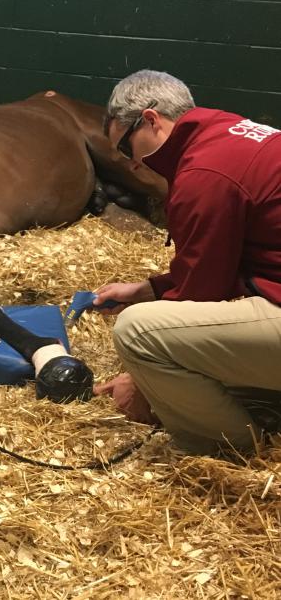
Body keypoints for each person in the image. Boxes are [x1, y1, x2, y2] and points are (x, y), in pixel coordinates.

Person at [92, 69, 281, 455]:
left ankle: (228, 448)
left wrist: (142, 381)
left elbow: (202, 292)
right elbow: (222, 263)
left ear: (150, 120)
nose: (131, 164)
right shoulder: (230, 130)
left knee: (137, 333)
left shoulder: (202, 173)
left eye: (128, 149)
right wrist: (151, 288)